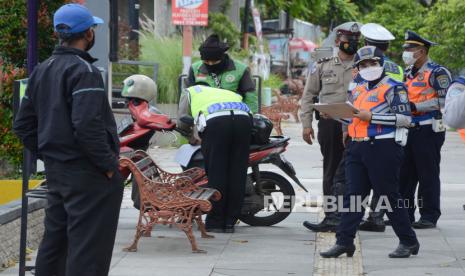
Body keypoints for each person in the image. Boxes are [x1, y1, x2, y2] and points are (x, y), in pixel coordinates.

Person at [13, 4, 123, 276]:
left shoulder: (42, 69)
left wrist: (50, 154)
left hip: (58, 171)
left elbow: (23, 125)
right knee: (89, 250)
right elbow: (87, 125)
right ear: (88, 33)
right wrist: (109, 164)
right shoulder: (84, 71)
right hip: (88, 173)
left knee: (55, 243)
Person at [320, 46, 419, 259]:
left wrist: (372, 117)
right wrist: (335, 115)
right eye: (363, 65)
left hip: (383, 147)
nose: (368, 68)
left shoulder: (394, 87)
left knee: (389, 196)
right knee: (353, 197)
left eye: (372, 63)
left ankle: (408, 240)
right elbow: (355, 117)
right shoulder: (358, 88)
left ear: (381, 63)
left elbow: (406, 120)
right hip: (357, 147)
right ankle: (344, 242)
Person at [300, 22, 362, 232]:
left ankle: (352, 216)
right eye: (347, 41)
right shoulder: (323, 63)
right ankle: (332, 217)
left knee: (356, 172)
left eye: (355, 41)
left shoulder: (364, 64)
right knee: (332, 169)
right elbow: (308, 95)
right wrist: (306, 124)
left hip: (357, 123)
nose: (352, 44)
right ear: (338, 41)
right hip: (330, 123)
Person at [177, 84, 252, 233]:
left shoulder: (190, 92)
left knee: (217, 172)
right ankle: (230, 221)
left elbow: (182, 121)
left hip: (217, 123)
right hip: (244, 121)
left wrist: (191, 138)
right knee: (237, 173)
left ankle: (215, 222)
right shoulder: (225, 92)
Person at [399, 30, 452, 229]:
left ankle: (429, 215)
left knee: (426, 173)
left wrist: (416, 106)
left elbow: (445, 100)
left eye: (409, 49)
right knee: (405, 174)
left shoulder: (437, 72)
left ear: (421, 51)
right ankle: (405, 214)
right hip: (408, 128)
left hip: (428, 129)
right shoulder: (406, 72)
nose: (405, 52)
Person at [357, 23, 404, 232]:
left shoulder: (365, 68)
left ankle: (371, 218)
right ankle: (375, 217)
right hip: (384, 131)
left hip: (376, 129)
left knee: (374, 183)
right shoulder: (398, 68)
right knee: (383, 183)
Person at [186, 34, 258, 113]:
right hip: (203, 116)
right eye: (206, 61)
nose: (210, 64)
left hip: (233, 114)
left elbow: (250, 95)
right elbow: (187, 95)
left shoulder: (241, 69)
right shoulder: (195, 68)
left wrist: (252, 117)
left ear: (222, 57)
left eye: (214, 61)